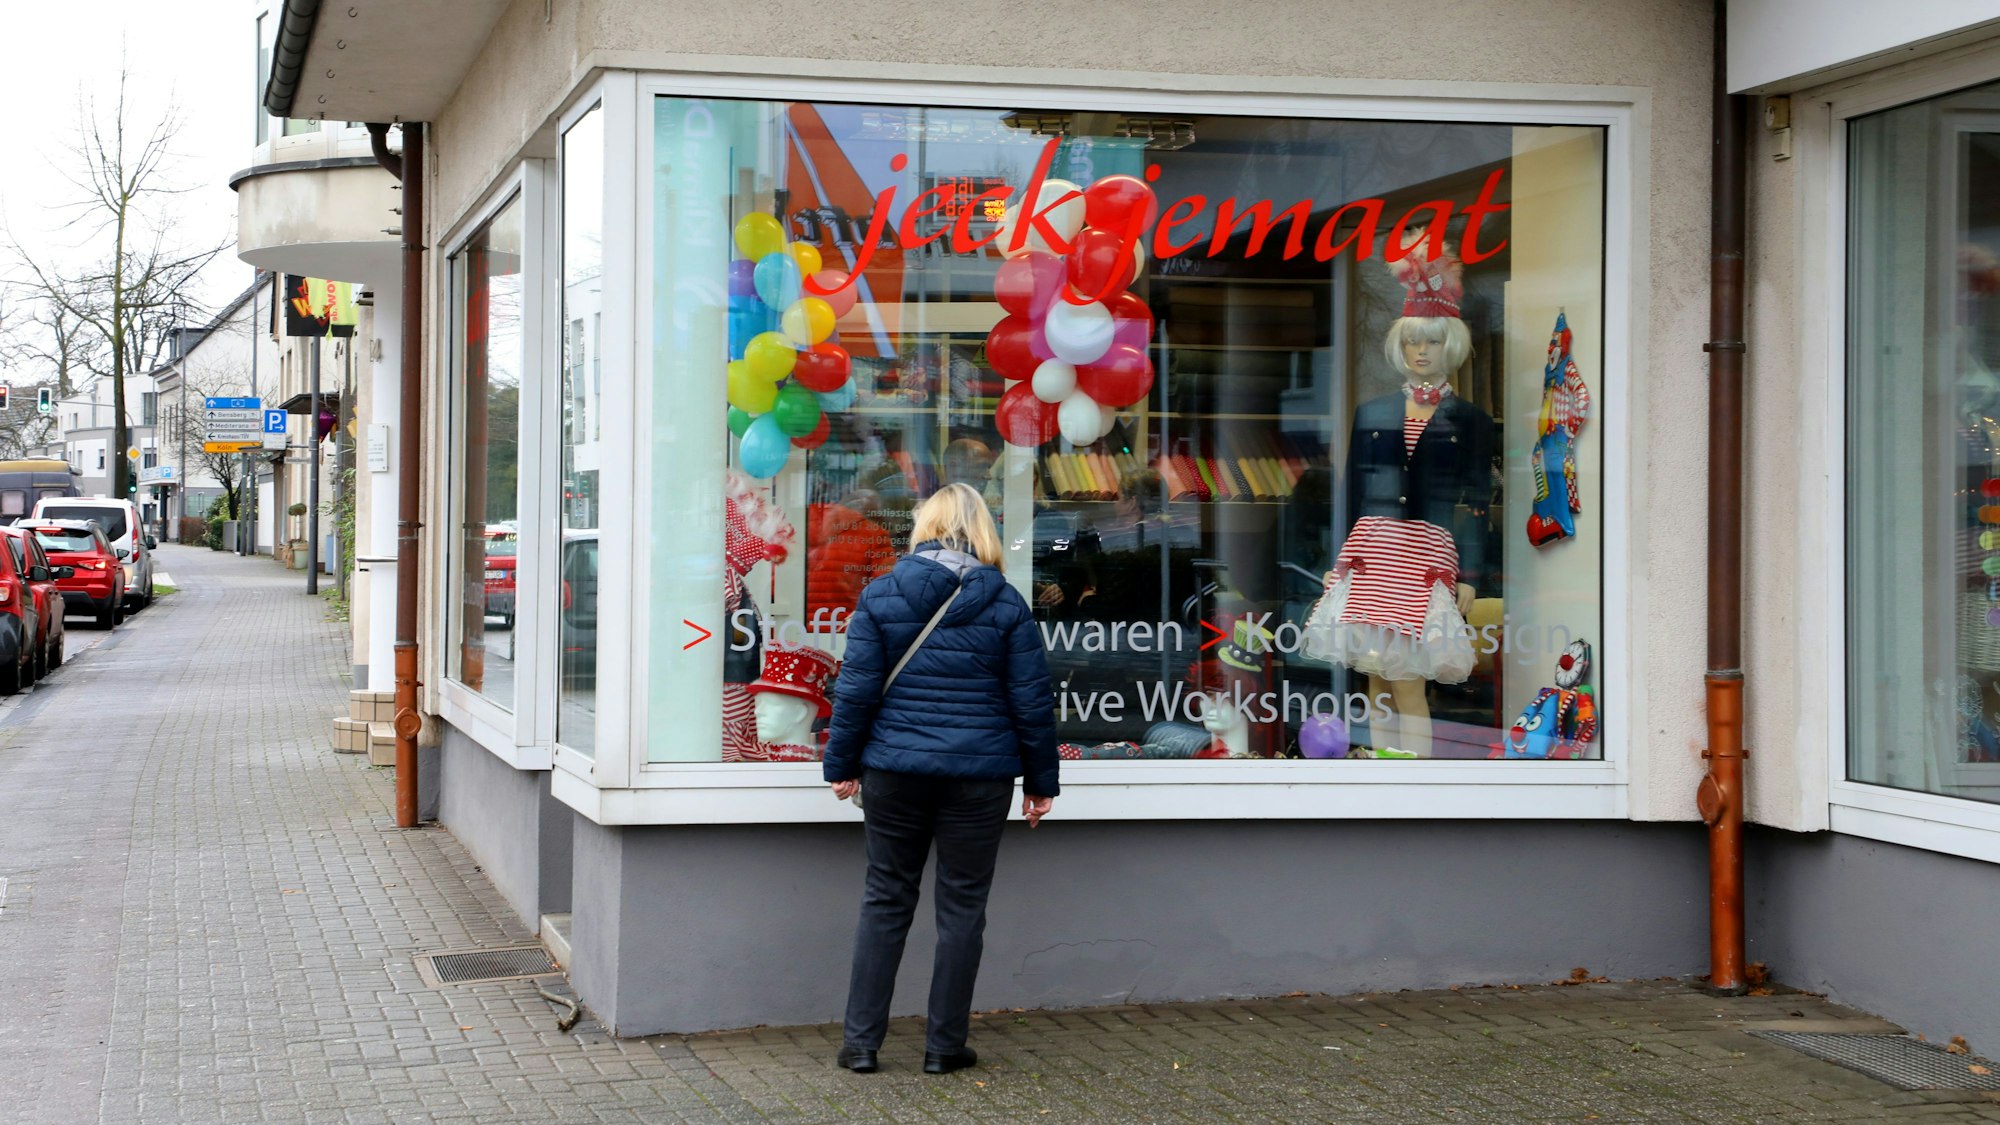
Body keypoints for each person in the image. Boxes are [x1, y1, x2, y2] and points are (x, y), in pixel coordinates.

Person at [822, 482, 1060, 1075]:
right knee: (962, 909)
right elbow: (1031, 703)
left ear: (924, 528)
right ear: (983, 531)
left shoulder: (881, 596)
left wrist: (842, 766)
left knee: (885, 900)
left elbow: (853, 694)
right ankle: (943, 1047)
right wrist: (1040, 784)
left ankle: (860, 1044)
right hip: (978, 779)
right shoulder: (1005, 603)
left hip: (895, 772)